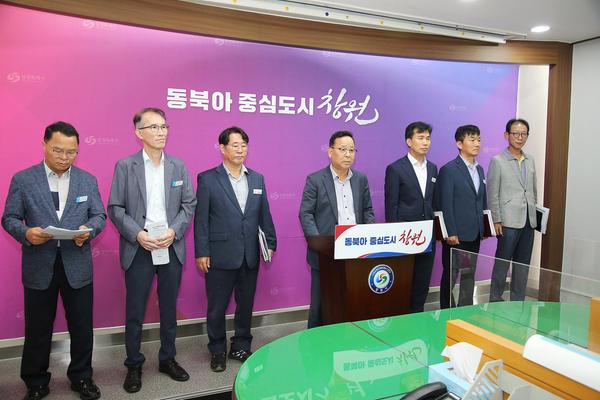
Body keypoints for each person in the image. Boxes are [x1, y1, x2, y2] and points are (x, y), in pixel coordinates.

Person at [2, 121, 105, 400]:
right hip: (39, 264)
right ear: (44, 145)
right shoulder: (24, 179)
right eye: (58, 150)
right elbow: (9, 217)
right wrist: (26, 233)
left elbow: (99, 215)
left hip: (77, 264)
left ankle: (82, 377)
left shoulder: (87, 180)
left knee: (81, 327)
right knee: (37, 328)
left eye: (71, 152)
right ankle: (36, 382)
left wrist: (89, 230)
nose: (64, 157)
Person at [107, 108, 196, 393]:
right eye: (154, 127)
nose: (161, 132)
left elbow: (189, 204)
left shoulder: (178, 166)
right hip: (139, 247)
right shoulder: (125, 166)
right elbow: (115, 207)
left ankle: (168, 359)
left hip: (170, 245)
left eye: (164, 126)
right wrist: (137, 234)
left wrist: (174, 231)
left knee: (169, 308)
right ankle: (134, 364)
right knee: (135, 311)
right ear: (139, 133)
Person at [194, 126, 276, 373]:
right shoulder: (208, 179)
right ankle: (217, 350)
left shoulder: (257, 178)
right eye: (235, 145)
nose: (240, 150)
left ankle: (241, 345)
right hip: (219, 254)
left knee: (245, 305)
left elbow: (264, 213)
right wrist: (202, 251)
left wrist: (270, 242)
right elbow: (201, 219)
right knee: (217, 307)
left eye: (244, 145)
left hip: (249, 254)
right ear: (222, 148)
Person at [299, 131, 375, 328]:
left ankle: (349, 339)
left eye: (352, 150)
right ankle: (314, 341)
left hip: (356, 250)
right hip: (326, 252)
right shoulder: (315, 179)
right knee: (320, 305)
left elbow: (367, 210)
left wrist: (368, 237)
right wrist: (319, 243)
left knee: (352, 301)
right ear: (330, 151)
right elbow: (306, 214)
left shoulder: (361, 179)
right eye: (343, 149)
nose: (348, 154)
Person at [384, 121, 438, 312]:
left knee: (422, 282)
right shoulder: (396, 168)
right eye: (420, 138)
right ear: (409, 141)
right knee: (403, 281)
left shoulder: (433, 168)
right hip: (404, 236)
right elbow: (391, 206)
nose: (425, 142)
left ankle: (418, 315)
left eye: (428, 138)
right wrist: (394, 235)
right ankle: (402, 319)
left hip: (427, 235)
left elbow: (433, 202)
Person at [488, 118, 538, 302]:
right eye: (515, 133)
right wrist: (496, 219)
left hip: (528, 221)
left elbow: (532, 190)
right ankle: (495, 300)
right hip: (507, 221)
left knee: (522, 266)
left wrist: (534, 213)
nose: (520, 137)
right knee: (502, 264)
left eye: (523, 134)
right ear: (506, 135)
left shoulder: (530, 160)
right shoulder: (498, 160)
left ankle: (518, 303)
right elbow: (492, 193)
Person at [437, 125, 487, 309]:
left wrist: (483, 227)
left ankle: (465, 311)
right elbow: (445, 203)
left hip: (474, 233)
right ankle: (446, 311)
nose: (477, 144)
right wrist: (450, 231)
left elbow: (481, 200)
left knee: (469, 274)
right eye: (472, 140)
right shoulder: (449, 169)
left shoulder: (480, 169)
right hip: (456, 235)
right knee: (451, 275)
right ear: (459, 144)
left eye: (479, 140)